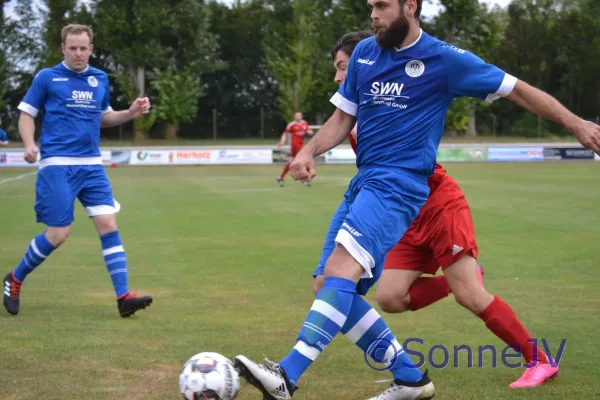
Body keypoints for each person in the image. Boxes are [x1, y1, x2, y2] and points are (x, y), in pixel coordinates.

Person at [234, 0, 600, 399]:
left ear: (410, 5)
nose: (372, 14)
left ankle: (286, 376)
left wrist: (577, 123)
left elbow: (518, 91)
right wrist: (307, 151)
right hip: (367, 183)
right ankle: (410, 379)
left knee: (420, 284)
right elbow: (343, 118)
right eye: (370, 6)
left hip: (404, 186)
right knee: (336, 284)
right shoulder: (364, 54)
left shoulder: (444, 60)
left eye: (381, 5)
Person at [315, 30, 557, 399]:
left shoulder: (403, 89)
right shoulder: (357, 108)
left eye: (342, 68)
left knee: (470, 295)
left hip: (438, 204)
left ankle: (539, 359)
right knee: (391, 298)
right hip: (401, 215)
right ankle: (460, 278)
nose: (338, 77)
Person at [3, 24, 153, 318]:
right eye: (73, 48)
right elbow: (26, 115)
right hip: (58, 164)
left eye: (84, 48)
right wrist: (30, 143)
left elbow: (104, 117)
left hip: (91, 165)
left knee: (109, 224)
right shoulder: (47, 77)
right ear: (63, 48)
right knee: (59, 233)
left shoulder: (99, 78)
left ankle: (123, 296)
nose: (78, 53)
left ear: (91, 49)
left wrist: (130, 113)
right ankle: (15, 278)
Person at [276, 111, 314, 187]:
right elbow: (285, 133)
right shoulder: (291, 125)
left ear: (301, 116)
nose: (298, 117)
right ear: (294, 117)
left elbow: (309, 131)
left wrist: (310, 132)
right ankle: (304, 178)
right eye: (296, 116)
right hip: (295, 146)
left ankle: (281, 177)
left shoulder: (304, 123)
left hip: (300, 146)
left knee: (290, 162)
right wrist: (282, 142)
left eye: (299, 115)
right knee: (304, 161)